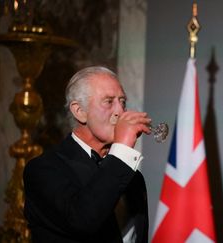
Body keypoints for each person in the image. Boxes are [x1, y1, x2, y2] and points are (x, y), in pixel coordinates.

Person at [24, 66, 151, 243]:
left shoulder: (134, 178)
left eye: (122, 102)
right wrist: (122, 148)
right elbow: (82, 220)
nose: (120, 112)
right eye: (109, 102)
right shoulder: (43, 169)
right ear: (79, 111)